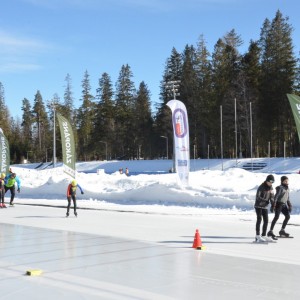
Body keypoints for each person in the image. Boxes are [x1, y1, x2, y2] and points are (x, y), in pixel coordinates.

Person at [254, 174, 275, 242]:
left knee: (266, 220)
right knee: (259, 219)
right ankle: (257, 236)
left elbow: (272, 197)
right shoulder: (261, 187)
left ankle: (263, 235)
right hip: (258, 205)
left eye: (272, 182)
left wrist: (273, 205)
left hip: (265, 206)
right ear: (266, 181)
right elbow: (258, 197)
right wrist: (265, 201)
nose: (270, 183)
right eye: (270, 182)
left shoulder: (271, 188)